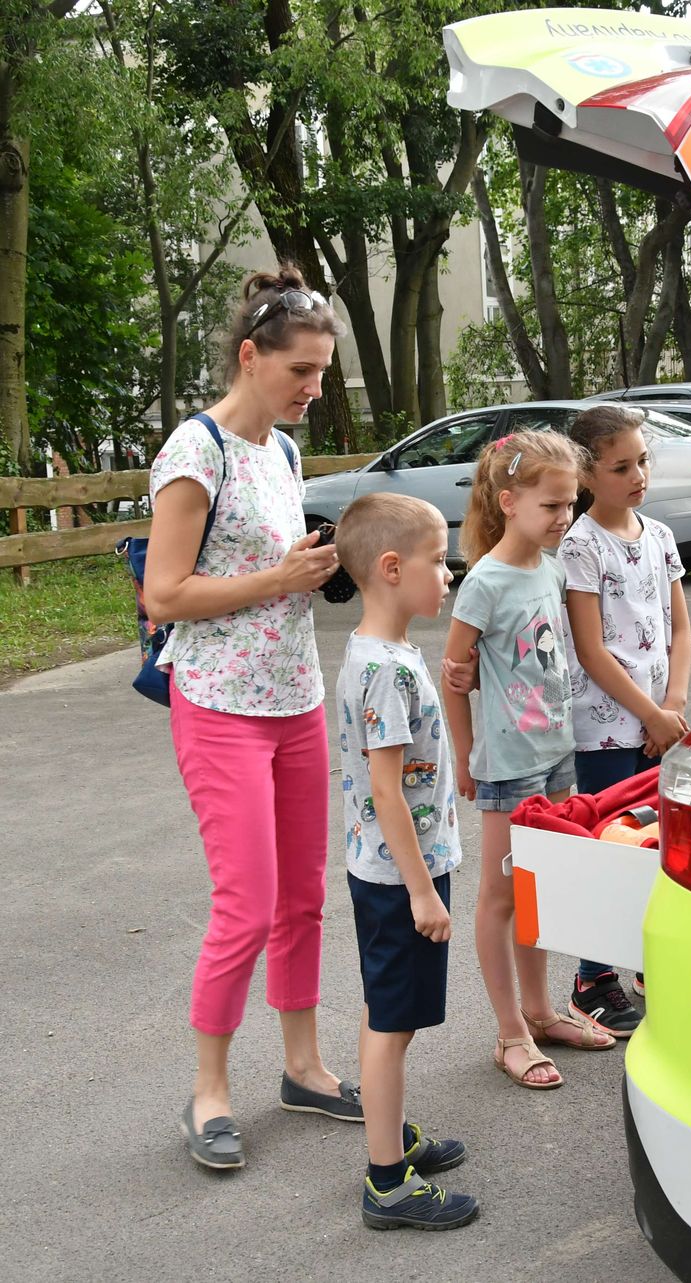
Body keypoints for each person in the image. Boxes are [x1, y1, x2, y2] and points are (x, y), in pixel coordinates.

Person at [145, 265, 359, 1171]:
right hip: (220, 704)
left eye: (321, 372)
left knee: (303, 896)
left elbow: (264, 563)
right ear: (249, 355)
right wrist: (278, 577)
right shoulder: (196, 451)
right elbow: (165, 593)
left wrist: (310, 563)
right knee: (247, 902)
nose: (313, 388)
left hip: (294, 696)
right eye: (299, 370)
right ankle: (209, 1092)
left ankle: (303, 1067)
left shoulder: (284, 452)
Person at [441, 431, 616, 1091]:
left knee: (538, 889)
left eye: (570, 504)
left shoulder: (551, 568)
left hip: (554, 755)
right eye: (551, 505)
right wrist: (466, 756)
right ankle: (510, 1030)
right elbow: (454, 675)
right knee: (501, 895)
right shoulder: (484, 583)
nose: (564, 517)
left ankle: (541, 1012)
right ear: (509, 502)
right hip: (507, 764)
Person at [332, 493, 478, 1231]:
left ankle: (390, 1136)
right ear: (392, 568)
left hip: (388, 870)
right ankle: (387, 1181)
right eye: (438, 560)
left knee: (386, 1012)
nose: (449, 573)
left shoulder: (381, 654)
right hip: (400, 879)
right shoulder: (385, 670)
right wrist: (424, 893)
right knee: (392, 1024)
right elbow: (387, 790)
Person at [561, 405, 691, 1028]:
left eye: (642, 461)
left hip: (661, 723)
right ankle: (592, 977)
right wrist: (649, 714)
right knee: (609, 851)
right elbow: (591, 651)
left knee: (656, 843)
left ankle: (644, 958)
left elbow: (680, 629)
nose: (638, 475)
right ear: (587, 475)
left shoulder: (659, 536)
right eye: (621, 467)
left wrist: (673, 708)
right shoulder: (580, 546)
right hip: (607, 729)